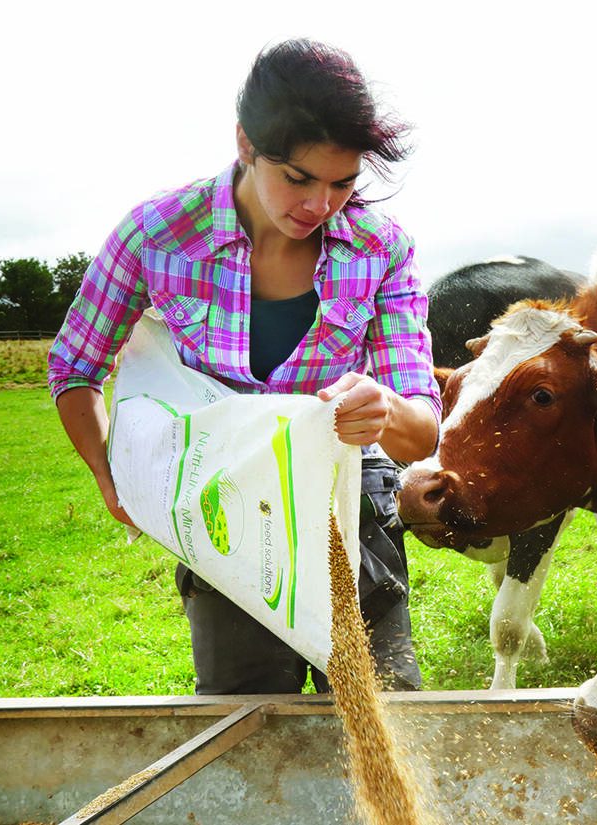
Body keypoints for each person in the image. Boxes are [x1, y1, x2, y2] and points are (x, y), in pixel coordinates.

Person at [47, 39, 441, 695]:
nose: (321, 204)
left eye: (342, 183)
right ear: (245, 143)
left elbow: (420, 430)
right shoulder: (157, 234)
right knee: (246, 714)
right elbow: (75, 365)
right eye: (298, 178)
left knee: (385, 701)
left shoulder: (382, 249)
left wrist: (385, 406)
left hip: (348, 495)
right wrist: (109, 474)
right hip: (225, 499)